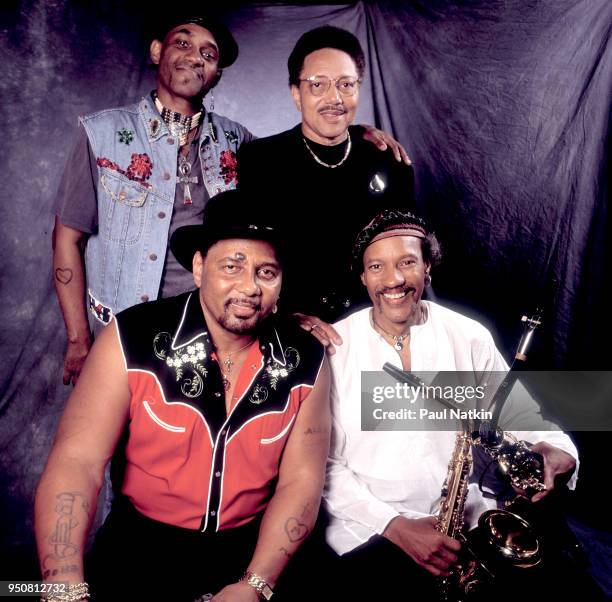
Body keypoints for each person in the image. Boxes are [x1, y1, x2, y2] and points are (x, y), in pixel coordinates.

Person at [52, 15, 409, 386]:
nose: (195, 57)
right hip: (123, 326)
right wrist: (79, 339)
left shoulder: (238, 142)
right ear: (157, 51)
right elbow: (67, 239)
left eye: (208, 53)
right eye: (183, 43)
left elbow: (302, 147)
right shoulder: (101, 134)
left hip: (214, 329)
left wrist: (353, 131)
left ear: (216, 73)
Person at [36, 189, 331, 601]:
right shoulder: (131, 338)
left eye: (266, 272)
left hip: (254, 548)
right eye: (233, 266)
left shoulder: (307, 359)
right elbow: (78, 461)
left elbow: (302, 481)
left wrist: (256, 584)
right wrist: (62, 582)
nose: (249, 287)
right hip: (141, 549)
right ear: (198, 266)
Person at [321, 208, 602, 600]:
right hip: (370, 529)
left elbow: (517, 412)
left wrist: (556, 448)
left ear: (427, 268)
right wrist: (395, 525)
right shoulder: (333, 349)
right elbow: (323, 467)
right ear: (363, 276)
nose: (394, 280)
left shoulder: (467, 335)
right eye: (377, 267)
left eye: (407, 263)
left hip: (471, 517)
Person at [238, 26, 416, 335]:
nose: (334, 98)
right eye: (318, 84)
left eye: (346, 84)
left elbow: (406, 256)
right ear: (296, 93)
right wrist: (287, 318)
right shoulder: (261, 160)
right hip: (289, 327)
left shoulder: (389, 162)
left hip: (373, 326)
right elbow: (254, 258)